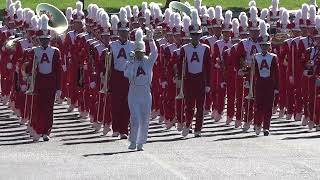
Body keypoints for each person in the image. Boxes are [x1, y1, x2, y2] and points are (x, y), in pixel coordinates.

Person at [22, 14, 62, 141]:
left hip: (50, 81)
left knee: (49, 108)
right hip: (38, 81)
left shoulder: (55, 51)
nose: (44, 41)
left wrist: (59, 88)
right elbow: (28, 68)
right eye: (42, 39)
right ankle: (37, 129)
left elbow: (58, 70)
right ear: (38, 39)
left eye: (46, 39)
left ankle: (46, 131)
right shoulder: (33, 51)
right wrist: (27, 76)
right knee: (38, 106)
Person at [178, 9, 211, 137]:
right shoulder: (184, 48)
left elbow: (209, 67)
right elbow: (180, 65)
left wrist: (208, 83)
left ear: (200, 35)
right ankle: (187, 124)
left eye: (197, 35)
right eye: (193, 35)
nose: (195, 37)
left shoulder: (205, 48)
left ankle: (198, 128)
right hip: (189, 79)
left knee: (200, 107)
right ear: (190, 35)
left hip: (201, 79)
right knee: (189, 105)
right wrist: (179, 79)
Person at [124, 28, 158, 151]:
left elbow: (155, 53)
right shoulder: (130, 62)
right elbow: (126, 74)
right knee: (135, 118)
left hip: (145, 93)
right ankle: (133, 140)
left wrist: (151, 39)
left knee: (144, 119)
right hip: (134, 93)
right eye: (137, 52)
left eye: (141, 52)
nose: (139, 54)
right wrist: (132, 63)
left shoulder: (148, 61)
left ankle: (141, 142)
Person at [253, 21, 279, 136]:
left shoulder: (273, 57)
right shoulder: (256, 57)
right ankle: (258, 124)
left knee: (268, 106)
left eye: (266, 45)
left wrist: (276, 87)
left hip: (269, 82)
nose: (264, 47)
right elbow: (254, 72)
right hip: (259, 83)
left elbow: (276, 73)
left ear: (269, 46)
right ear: (260, 46)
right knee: (259, 105)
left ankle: (266, 127)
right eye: (263, 45)